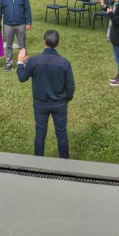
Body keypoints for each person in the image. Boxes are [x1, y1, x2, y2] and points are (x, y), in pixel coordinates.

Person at [16, 30, 75, 159]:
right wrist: (65, 100)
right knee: (62, 134)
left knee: (40, 134)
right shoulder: (64, 63)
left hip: (40, 104)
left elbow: (22, 77)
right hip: (59, 103)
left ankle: (38, 164)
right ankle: (65, 164)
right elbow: (70, 87)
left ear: (44, 42)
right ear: (58, 43)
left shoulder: (35, 61)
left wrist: (20, 63)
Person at [0, 0, 32, 72]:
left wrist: (28, 22)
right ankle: (9, 64)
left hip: (20, 24)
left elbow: (27, 9)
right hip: (8, 24)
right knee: (8, 45)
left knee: (22, 45)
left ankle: (24, 63)